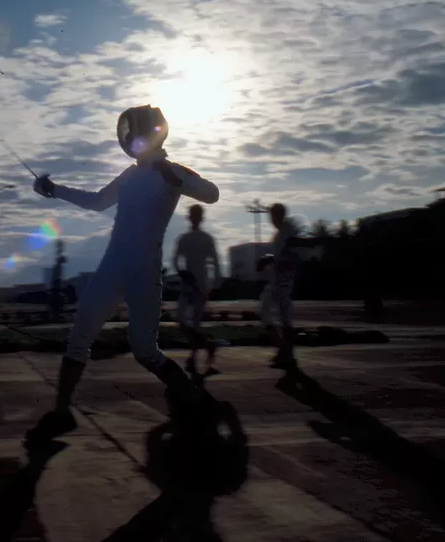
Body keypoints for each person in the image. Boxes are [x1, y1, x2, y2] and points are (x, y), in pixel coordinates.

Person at [26, 105, 220, 444]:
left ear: (150, 134)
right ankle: (61, 411)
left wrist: (177, 180)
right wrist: (54, 189)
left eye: (133, 133)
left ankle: (192, 398)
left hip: (144, 273)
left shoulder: (172, 170)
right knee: (81, 334)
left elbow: (212, 194)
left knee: (144, 350)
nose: (129, 140)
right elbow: (98, 201)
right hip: (113, 266)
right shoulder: (129, 175)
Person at [173, 204, 221, 378]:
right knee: (182, 321)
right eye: (192, 215)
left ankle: (193, 358)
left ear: (200, 218)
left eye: (197, 215)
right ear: (189, 217)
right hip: (188, 285)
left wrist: (214, 285)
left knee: (194, 323)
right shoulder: (184, 238)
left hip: (201, 285)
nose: (194, 218)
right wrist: (182, 273)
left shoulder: (206, 239)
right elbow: (176, 259)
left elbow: (215, 261)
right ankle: (208, 346)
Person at [256, 203, 300, 370]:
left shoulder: (289, 232)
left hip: (284, 281)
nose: (272, 219)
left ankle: (287, 355)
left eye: (274, 215)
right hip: (274, 281)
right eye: (271, 216)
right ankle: (283, 350)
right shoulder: (279, 234)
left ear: (281, 215)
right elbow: (278, 255)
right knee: (265, 313)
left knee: (285, 318)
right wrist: (268, 260)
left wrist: (269, 260)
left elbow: (292, 257)